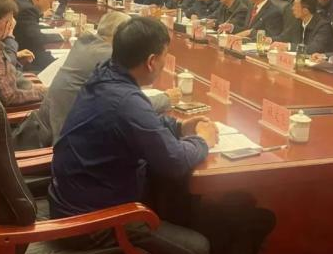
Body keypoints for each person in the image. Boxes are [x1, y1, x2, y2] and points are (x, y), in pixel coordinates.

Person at [50, 17, 274, 254]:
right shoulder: (126, 100)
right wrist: (203, 140)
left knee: (180, 201)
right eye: (165, 56)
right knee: (198, 246)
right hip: (94, 224)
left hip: (78, 201)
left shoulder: (105, 75)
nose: (165, 62)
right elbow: (174, 161)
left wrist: (180, 127)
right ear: (151, 62)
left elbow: (141, 122)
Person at [12, 12, 177, 150]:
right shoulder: (108, 57)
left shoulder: (85, 43)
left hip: (46, 130)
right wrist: (166, 99)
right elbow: (130, 106)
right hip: (64, 145)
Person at [14, 0, 71, 72]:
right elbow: (34, 37)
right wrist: (60, 36)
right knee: (60, 66)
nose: (50, 6)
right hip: (25, 56)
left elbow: (30, 28)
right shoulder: (28, 9)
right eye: (49, 2)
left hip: (22, 50)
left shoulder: (23, 1)